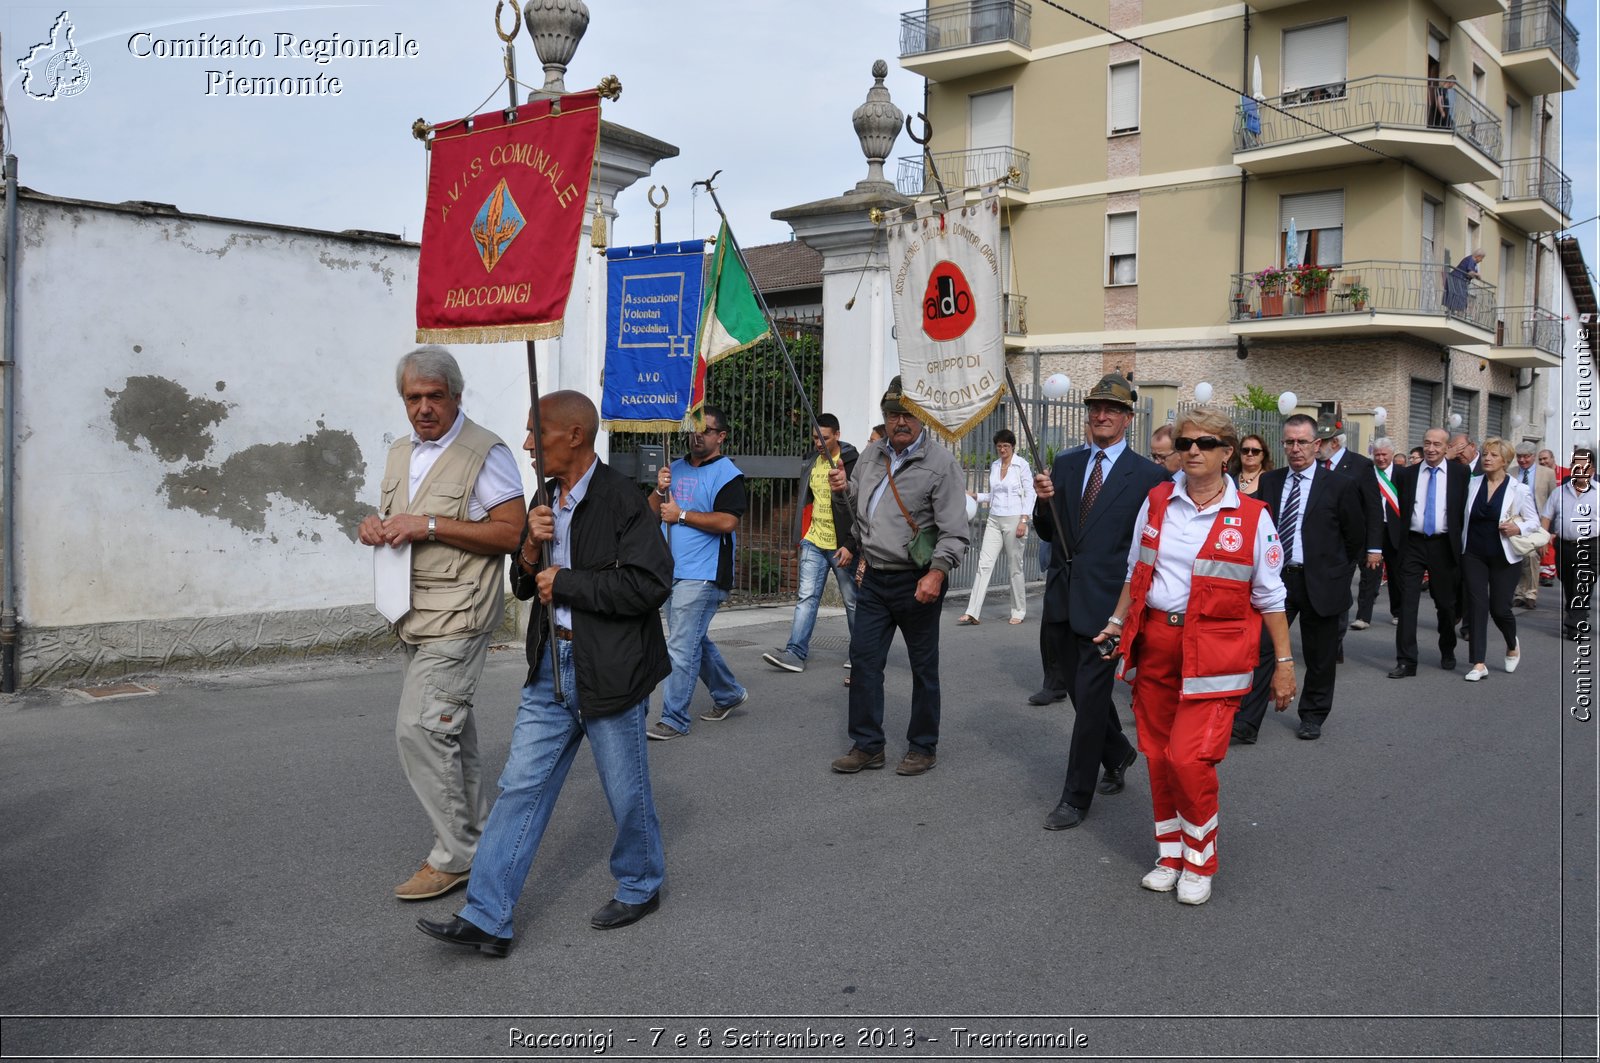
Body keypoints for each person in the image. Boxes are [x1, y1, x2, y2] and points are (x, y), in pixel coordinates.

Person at [416, 392, 672, 958]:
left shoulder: (624, 501)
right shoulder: (543, 499)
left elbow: (651, 585)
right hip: (551, 670)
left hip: (610, 670)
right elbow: (527, 585)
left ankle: (641, 883)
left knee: (625, 792)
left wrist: (571, 580)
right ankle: (488, 915)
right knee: (520, 789)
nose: (528, 444)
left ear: (574, 436)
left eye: (538, 433)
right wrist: (530, 546)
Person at [1097, 407, 1294, 905]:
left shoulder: (1254, 517)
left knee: (1189, 759)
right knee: (1160, 757)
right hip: (1157, 643)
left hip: (1216, 657)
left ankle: (1200, 859)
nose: (1193, 451)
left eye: (1206, 443)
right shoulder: (1158, 499)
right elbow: (1134, 572)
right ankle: (1170, 854)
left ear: (1228, 452)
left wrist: (1285, 666)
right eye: (1186, 443)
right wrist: (1118, 622)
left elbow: (1272, 598)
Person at [359, 346, 525, 902]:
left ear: (456, 396)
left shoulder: (486, 452)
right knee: (450, 731)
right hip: (412, 613)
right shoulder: (400, 452)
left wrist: (427, 524)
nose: (424, 408)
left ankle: (457, 856)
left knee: (421, 729)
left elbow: (512, 534)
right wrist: (376, 528)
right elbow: (397, 521)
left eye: (434, 396)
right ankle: (479, 840)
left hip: (459, 615)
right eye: (414, 398)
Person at [1031, 373, 1167, 828]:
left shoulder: (1149, 477)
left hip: (1111, 608)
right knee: (1075, 691)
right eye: (1094, 408)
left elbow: (1149, 549)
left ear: (1128, 418)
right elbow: (1050, 532)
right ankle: (1119, 751)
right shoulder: (1066, 465)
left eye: (1111, 409)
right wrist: (1041, 502)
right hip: (1064, 601)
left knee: (1090, 701)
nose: (1100, 415)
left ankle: (1075, 797)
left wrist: (1131, 610)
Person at [827, 377, 968, 776]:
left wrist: (937, 573)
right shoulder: (872, 455)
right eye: (892, 414)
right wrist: (841, 492)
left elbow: (956, 531)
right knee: (864, 661)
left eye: (908, 413)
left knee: (924, 668)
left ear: (922, 416)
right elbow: (859, 513)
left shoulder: (941, 464)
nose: (900, 421)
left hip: (918, 580)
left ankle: (923, 746)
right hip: (873, 578)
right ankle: (868, 745)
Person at [1233, 414, 1366, 743]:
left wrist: (1334, 571)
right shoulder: (1272, 482)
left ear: (1317, 445)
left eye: (1302, 442)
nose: (1295, 449)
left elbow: (1354, 538)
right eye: (1289, 442)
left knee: (1320, 654)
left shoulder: (1340, 485)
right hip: (1277, 580)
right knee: (1263, 649)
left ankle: (1313, 715)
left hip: (1321, 581)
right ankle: (1248, 722)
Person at [647, 404, 749, 739]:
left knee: (679, 645)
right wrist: (659, 489)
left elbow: (728, 521)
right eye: (693, 430)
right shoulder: (674, 468)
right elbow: (651, 511)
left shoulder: (728, 475)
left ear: (721, 436)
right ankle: (729, 692)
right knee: (691, 641)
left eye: (705, 431)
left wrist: (683, 515)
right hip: (670, 570)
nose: (697, 436)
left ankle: (674, 718)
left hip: (703, 574)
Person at [762, 414, 858, 673]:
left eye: (824, 438)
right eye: (815, 437)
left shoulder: (852, 462)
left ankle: (861, 653)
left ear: (837, 435)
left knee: (851, 600)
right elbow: (807, 501)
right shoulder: (812, 460)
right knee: (806, 597)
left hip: (841, 545)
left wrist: (851, 544)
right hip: (814, 541)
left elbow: (860, 508)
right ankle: (795, 652)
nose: (819, 443)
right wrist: (802, 536)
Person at [1389, 428, 1470, 678]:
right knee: (1408, 604)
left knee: (1445, 604)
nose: (1431, 449)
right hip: (1413, 544)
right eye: (1427, 443)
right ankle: (1406, 660)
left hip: (1443, 545)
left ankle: (1447, 647)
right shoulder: (1407, 474)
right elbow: (1396, 510)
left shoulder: (1460, 473)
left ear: (1447, 448)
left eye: (1437, 444)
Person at [1459, 438, 1540, 681]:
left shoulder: (1518, 489)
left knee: (1500, 609)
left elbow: (1533, 521)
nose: (1487, 458)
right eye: (1485, 454)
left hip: (1504, 555)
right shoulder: (1472, 484)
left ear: (1505, 460)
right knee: (1476, 606)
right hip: (1473, 552)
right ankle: (1478, 663)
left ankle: (1511, 643)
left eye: (1493, 455)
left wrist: (1519, 529)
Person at [958, 429, 1034, 626]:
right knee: (984, 564)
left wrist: (1023, 521)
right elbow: (994, 495)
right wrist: (977, 496)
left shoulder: (1021, 466)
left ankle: (1018, 610)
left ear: (1013, 447)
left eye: (1006, 446)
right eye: (999, 446)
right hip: (994, 518)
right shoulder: (994, 466)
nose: (1002, 449)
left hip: (1015, 518)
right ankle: (972, 611)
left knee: (1014, 566)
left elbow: (1030, 494)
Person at [1541, 447, 1595, 641]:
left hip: (1591, 546)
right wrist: (1544, 538)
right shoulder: (1558, 493)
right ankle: (1574, 612)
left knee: (1583, 584)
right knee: (1569, 583)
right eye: (1575, 465)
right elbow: (1547, 516)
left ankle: (1575, 624)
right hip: (1564, 546)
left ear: (1592, 469)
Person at [1354, 437, 1406, 629]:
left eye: (1384, 454)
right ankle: (1363, 617)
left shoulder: (1403, 475)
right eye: (1377, 455)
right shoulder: (1365, 475)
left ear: (1392, 454)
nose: (1381, 458)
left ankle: (1399, 612)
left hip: (1396, 530)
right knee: (1369, 573)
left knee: (1397, 573)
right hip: (1371, 530)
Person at [1511, 441, 1556, 609]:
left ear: (1534, 456)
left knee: (1532, 557)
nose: (1522, 460)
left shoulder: (1547, 474)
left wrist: (1550, 531)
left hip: (1537, 522)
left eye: (1526, 456)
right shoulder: (1511, 473)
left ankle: (1530, 593)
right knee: (1518, 557)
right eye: (1519, 457)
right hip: (1516, 522)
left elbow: (1553, 501)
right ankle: (1519, 592)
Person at [1443, 249, 1484, 315]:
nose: (1481, 260)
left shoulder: (1474, 263)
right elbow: (1470, 273)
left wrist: (1477, 276)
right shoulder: (1471, 260)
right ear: (1478, 256)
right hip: (1457, 279)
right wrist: (1477, 275)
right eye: (1482, 258)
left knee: (1458, 297)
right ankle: (1451, 312)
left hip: (1460, 281)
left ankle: (1452, 312)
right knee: (1456, 296)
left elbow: (1472, 273)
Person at [1232, 433, 1273, 497]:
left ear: (1263, 455)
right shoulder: (1229, 478)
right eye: (1245, 450)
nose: (1250, 454)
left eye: (1255, 451)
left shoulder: (1271, 481)